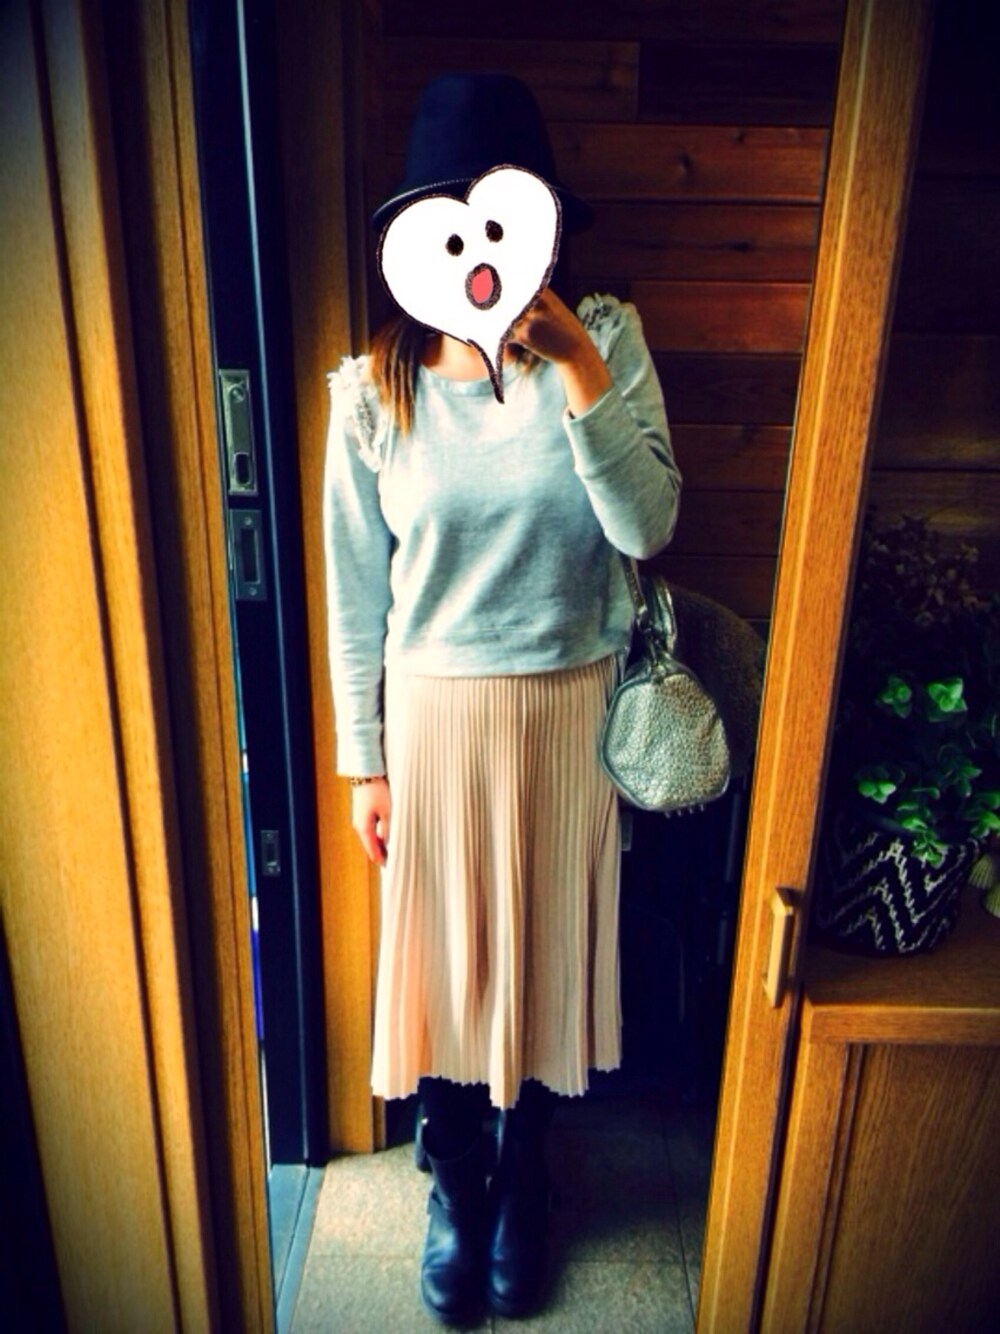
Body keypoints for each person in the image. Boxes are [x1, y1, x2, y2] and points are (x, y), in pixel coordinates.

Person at [323, 72, 681, 1325]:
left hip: (570, 706)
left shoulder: (607, 339)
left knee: (537, 956)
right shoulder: (372, 386)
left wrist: (576, 366)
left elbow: (647, 524)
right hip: (433, 717)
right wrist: (364, 760)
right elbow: (354, 592)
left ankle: (527, 1175)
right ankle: (457, 1184)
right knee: (444, 964)